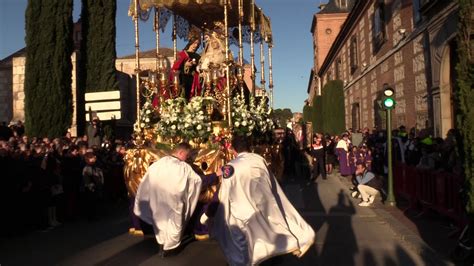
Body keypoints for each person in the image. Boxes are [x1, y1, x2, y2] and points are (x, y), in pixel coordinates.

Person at [205, 135, 315, 265]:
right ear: (249, 147)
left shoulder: (230, 167)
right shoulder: (259, 160)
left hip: (243, 211)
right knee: (268, 234)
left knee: (248, 245)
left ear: (233, 149)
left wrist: (209, 213)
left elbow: (224, 192)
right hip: (264, 204)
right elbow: (271, 183)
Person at [133, 142, 203, 256]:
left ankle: (162, 243)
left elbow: (146, 181)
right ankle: (169, 247)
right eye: (187, 155)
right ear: (181, 152)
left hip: (158, 200)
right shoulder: (183, 167)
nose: (187, 158)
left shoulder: (158, 164)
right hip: (175, 202)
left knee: (160, 222)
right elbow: (197, 181)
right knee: (175, 224)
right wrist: (214, 176)